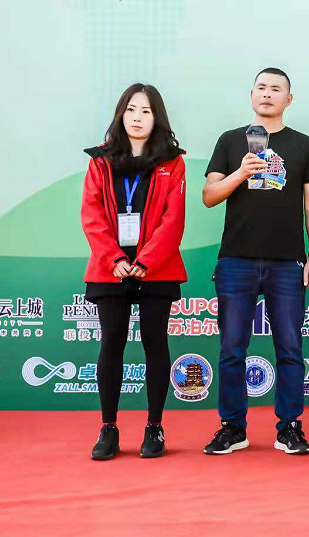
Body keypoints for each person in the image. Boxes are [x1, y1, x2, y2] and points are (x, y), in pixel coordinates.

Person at [202, 67, 309, 455]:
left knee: (289, 348)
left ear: (289, 99)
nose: (267, 94)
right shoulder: (230, 140)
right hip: (235, 259)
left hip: (287, 262)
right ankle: (233, 427)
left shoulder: (303, 145)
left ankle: (289, 427)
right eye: (261, 87)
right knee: (232, 349)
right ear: (251, 95)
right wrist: (241, 172)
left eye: (276, 89)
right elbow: (209, 195)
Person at [82, 83, 187, 460]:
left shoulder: (173, 162)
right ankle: (108, 428)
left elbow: (173, 219)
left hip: (157, 268)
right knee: (111, 342)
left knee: (155, 343)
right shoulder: (100, 161)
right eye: (131, 109)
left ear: (157, 117)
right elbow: (91, 214)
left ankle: (154, 427)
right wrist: (114, 259)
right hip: (109, 268)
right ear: (120, 114)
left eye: (145, 111)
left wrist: (145, 261)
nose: (137, 117)